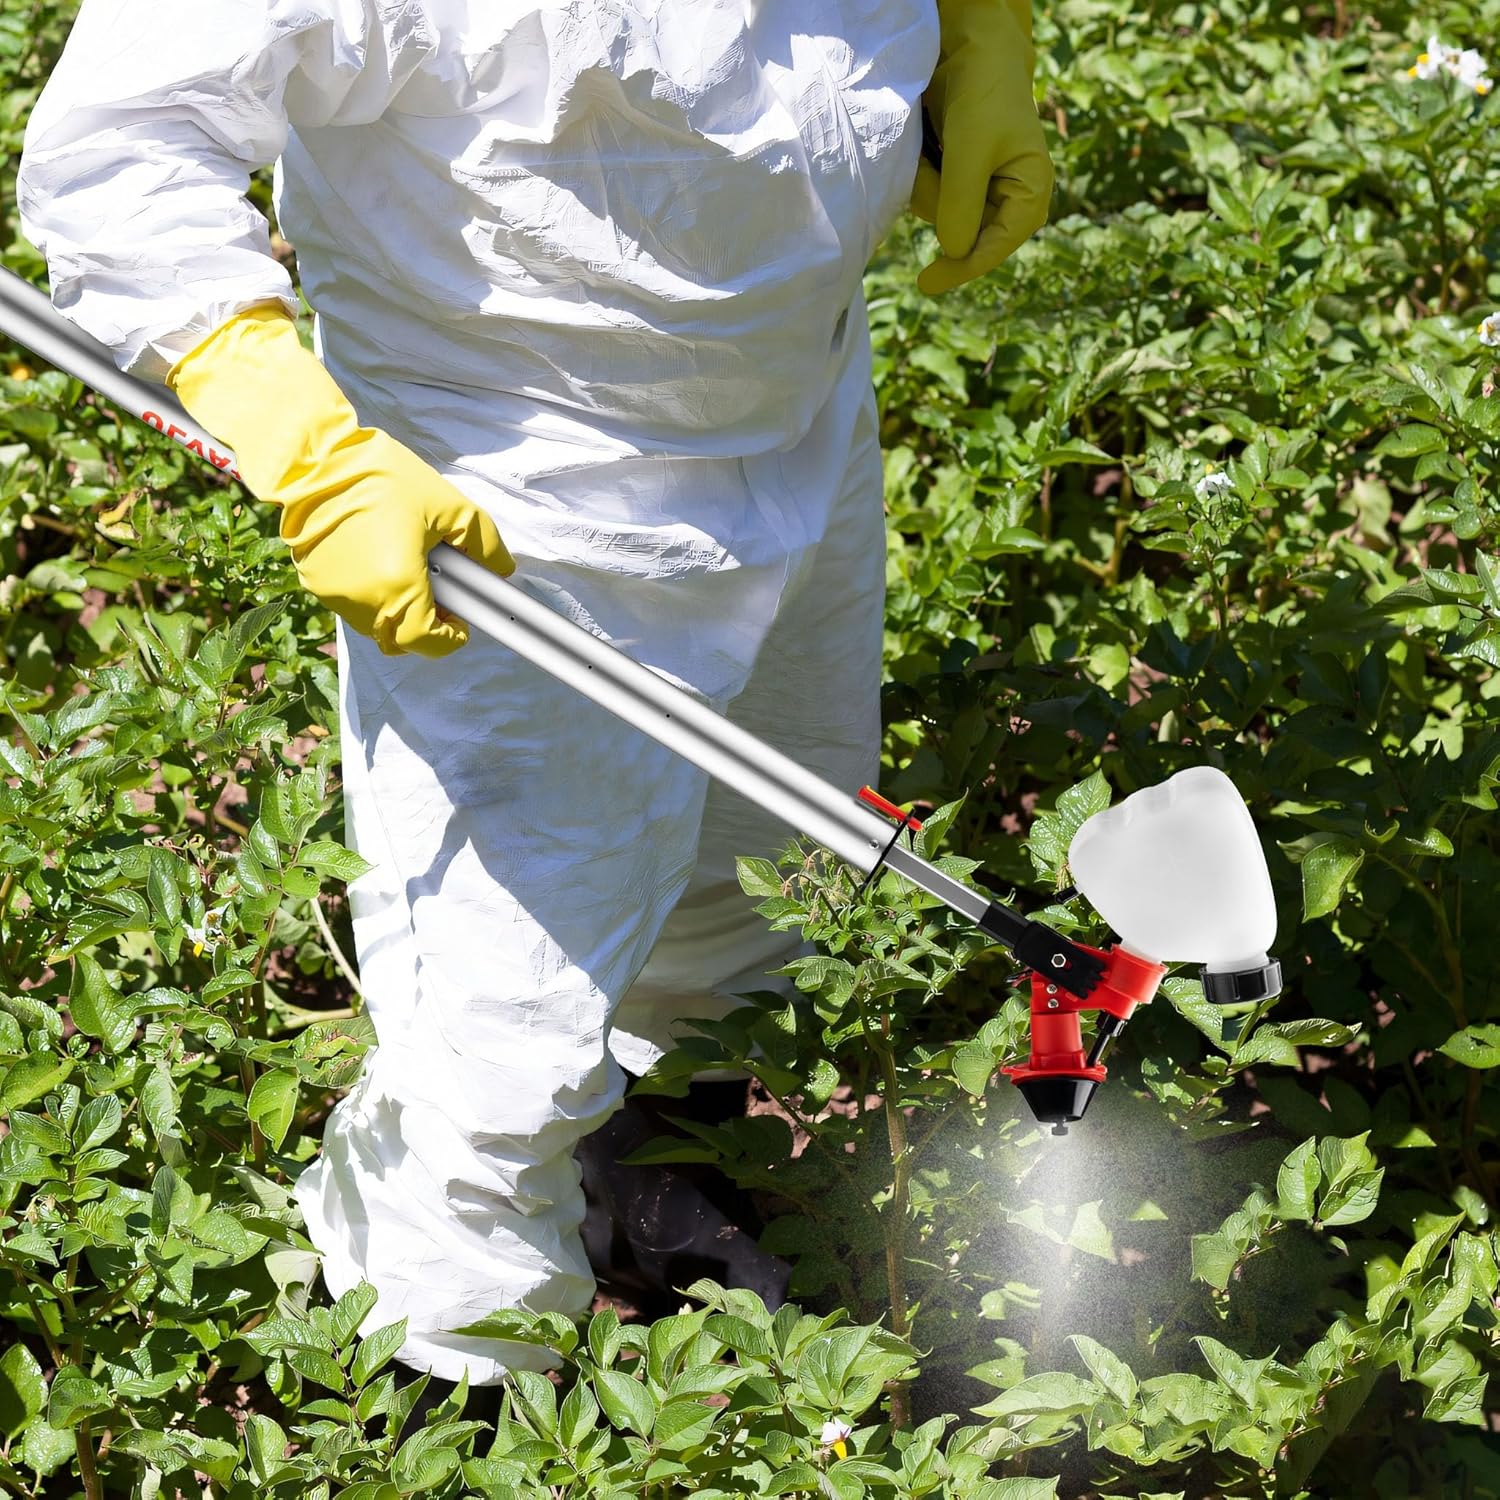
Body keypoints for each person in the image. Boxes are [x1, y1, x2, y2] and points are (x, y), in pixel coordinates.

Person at [16, 0, 1052, 1414]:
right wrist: (299, 436)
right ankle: (451, 1380)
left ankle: (663, 1166)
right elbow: (124, 136)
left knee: (760, 855)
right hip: (511, 481)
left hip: (795, 388)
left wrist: (979, 31)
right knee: (505, 1006)